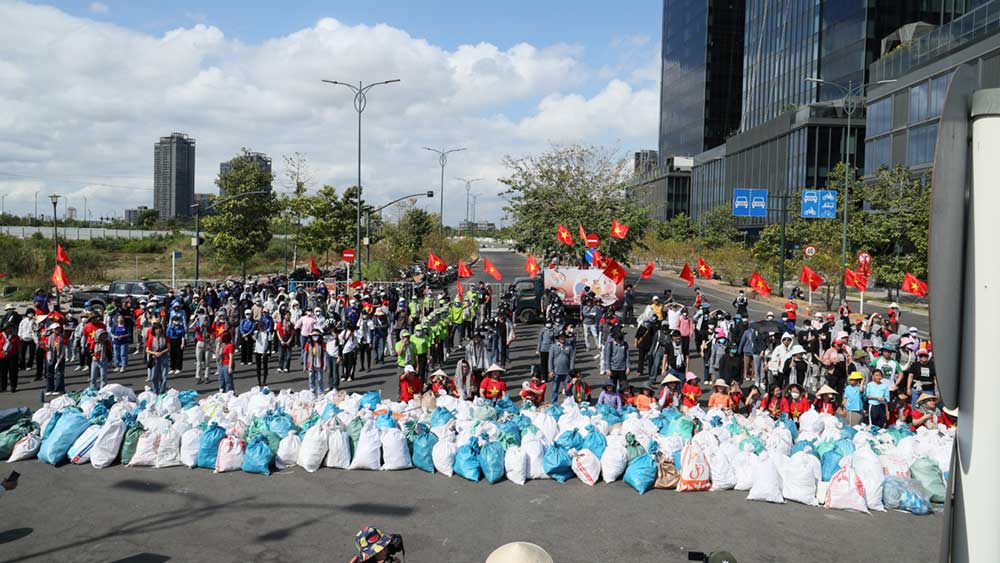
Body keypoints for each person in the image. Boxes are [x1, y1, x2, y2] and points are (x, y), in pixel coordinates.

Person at [547, 331, 575, 402]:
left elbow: (572, 360)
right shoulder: (553, 346)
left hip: (566, 372)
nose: (562, 338)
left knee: (568, 389)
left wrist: (572, 372)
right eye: (561, 337)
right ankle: (554, 404)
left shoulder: (570, 347)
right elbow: (550, 359)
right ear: (558, 338)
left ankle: (568, 403)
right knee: (554, 389)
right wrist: (550, 371)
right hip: (556, 372)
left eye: (564, 337)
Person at [145, 322, 169, 394]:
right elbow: (147, 349)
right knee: (154, 377)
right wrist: (155, 353)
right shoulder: (151, 338)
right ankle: (155, 391)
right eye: (156, 329)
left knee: (163, 376)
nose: (158, 330)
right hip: (155, 358)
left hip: (163, 356)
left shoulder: (165, 337)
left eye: (159, 328)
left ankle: (162, 391)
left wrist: (161, 353)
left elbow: (168, 347)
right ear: (154, 330)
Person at [602, 327, 629, 392]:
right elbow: (607, 357)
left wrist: (628, 367)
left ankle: (622, 400)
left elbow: (627, 356)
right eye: (618, 338)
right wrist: (608, 369)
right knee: (613, 387)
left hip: (622, 369)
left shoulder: (625, 344)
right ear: (614, 338)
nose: (620, 340)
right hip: (613, 369)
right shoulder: (610, 344)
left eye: (621, 337)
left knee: (623, 387)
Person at [43, 323, 67, 395]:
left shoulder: (62, 337)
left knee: (59, 373)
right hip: (50, 357)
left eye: (58, 328)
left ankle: (59, 389)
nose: (57, 330)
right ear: (52, 330)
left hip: (60, 357)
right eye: (55, 329)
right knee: (49, 373)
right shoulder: (48, 338)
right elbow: (47, 348)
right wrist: (42, 345)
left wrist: (61, 358)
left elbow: (64, 348)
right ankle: (49, 389)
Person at [0, 322, 20, 393]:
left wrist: (19, 356)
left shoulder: (15, 336)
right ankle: (3, 387)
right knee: (3, 373)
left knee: (13, 373)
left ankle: (13, 386)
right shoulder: (1, 336)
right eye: (8, 328)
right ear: (5, 329)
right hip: (2, 357)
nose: (10, 329)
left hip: (13, 356)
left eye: (11, 328)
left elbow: (18, 347)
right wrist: (2, 351)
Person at [252, 319, 271, 388]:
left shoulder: (268, 332)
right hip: (257, 351)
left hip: (265, 351)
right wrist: (256, 330)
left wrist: (267, 351)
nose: (261, 328)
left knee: (265, 367)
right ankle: (259, 381)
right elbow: (255, 338)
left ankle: (264, 381)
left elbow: (269, 342)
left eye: (262, 326)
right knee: (258, 367)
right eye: (260, 326)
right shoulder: (256, 332)